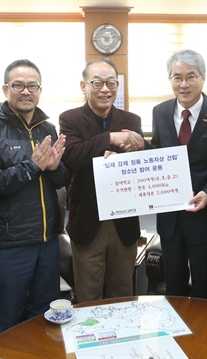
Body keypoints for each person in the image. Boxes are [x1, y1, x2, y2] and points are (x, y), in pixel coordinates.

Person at [0, 59, 69, 336]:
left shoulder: (47, 129)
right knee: (9, 320)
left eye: (32, 86)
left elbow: (62, 180)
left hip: (47, 240)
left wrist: (54, 168)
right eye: (18, 85)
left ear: (40, 90)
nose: (26, 91)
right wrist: (32, 167)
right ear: (6, 89)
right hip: (10, 242)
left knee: (45, 316)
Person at [151, 49, 207, 299]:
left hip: (205, 218)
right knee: (174, 290)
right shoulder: (159, 112)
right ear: (170, 79)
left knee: (205, 291)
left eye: (191, 77)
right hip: (170, 219)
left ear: (203, 77)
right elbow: (157, 154)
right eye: (176, 77)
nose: (184, 84)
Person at [59, 59, 147, 303]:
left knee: (123, 294)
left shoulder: (132, 120)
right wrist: (111, 138)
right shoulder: (70, 119)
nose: (105, 89)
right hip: (88, 221)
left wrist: (126, 154)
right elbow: (72, 156)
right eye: (97, 83)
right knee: (89, 297)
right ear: (83, 86)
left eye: (111, 83)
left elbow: (143, 161)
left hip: (124, 221)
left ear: (117, 85)